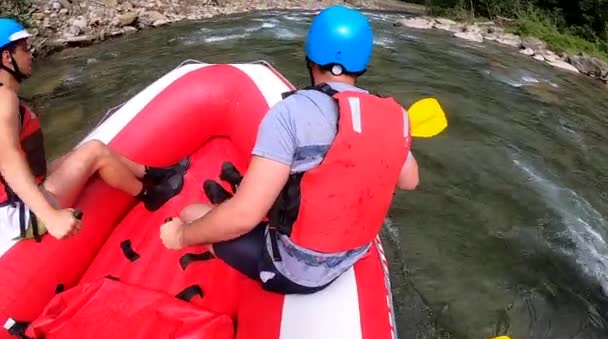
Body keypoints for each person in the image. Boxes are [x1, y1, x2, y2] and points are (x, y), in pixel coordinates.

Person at [159, 5, 419, 295]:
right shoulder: (395, 116)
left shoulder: (290, 113)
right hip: (352, 254)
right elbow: (410, 180)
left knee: (191, 212)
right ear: (363, 63)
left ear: (311, 57)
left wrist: (181, 235)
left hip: (296, 271)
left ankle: (215, 212)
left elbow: (245, 216)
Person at [0, 17, 187, 249]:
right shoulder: (4, 99)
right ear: (7, 58)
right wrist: (51, 217)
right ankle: (150, 196)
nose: (31, 56)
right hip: (19, 215)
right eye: (24, 50)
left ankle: (156, 173)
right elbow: (8, 161)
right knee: (94, 152)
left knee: (88, 149)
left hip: (16, 199)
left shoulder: (7, 96)